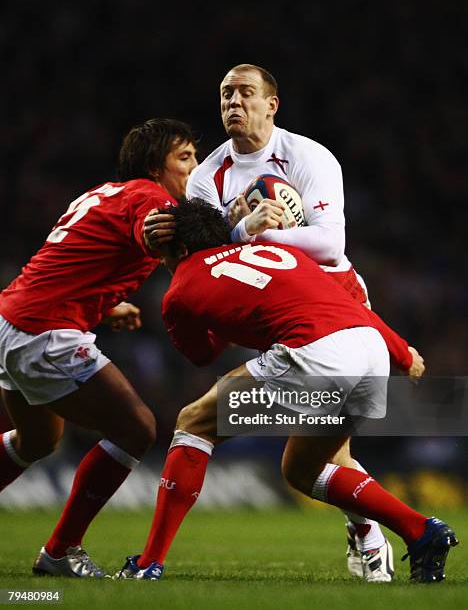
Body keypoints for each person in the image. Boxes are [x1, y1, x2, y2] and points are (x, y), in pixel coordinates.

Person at [143, 63, 423, 581]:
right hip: (274, 302)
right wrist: (239, 226)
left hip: (334, 297)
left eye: (246, 93)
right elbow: (205, 250)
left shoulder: (308, 156)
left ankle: (377, 535)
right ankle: (381, 534)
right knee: (320, 453)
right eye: (226, 94)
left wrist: (256, 235)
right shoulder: (209, 175)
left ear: (272, 104)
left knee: (313, 449)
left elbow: (329, 243)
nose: (233, 103)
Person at [116, 199, 457, 584]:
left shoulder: (178, 290)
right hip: (371, 351)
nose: (162, 263)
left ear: (180, 250)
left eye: (163, 255)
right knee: (302, 470)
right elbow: (348, 305)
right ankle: (422, 531)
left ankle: (148, 563)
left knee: (194, 423)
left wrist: (223, 327)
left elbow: (200, 354)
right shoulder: (274, 249)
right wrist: (400, 351)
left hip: (316, 353)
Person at [0, 118, 198, 577]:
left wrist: (106, 308)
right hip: (44, 331)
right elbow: (156, 233)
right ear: (155, 165)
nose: (194, 167)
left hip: (13, 320)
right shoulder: (153, 199)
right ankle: (60, 551)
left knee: (37, 440)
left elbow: (70, 264)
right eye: (184, 158)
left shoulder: (106, 192)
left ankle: (60, 551)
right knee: (138, 428)